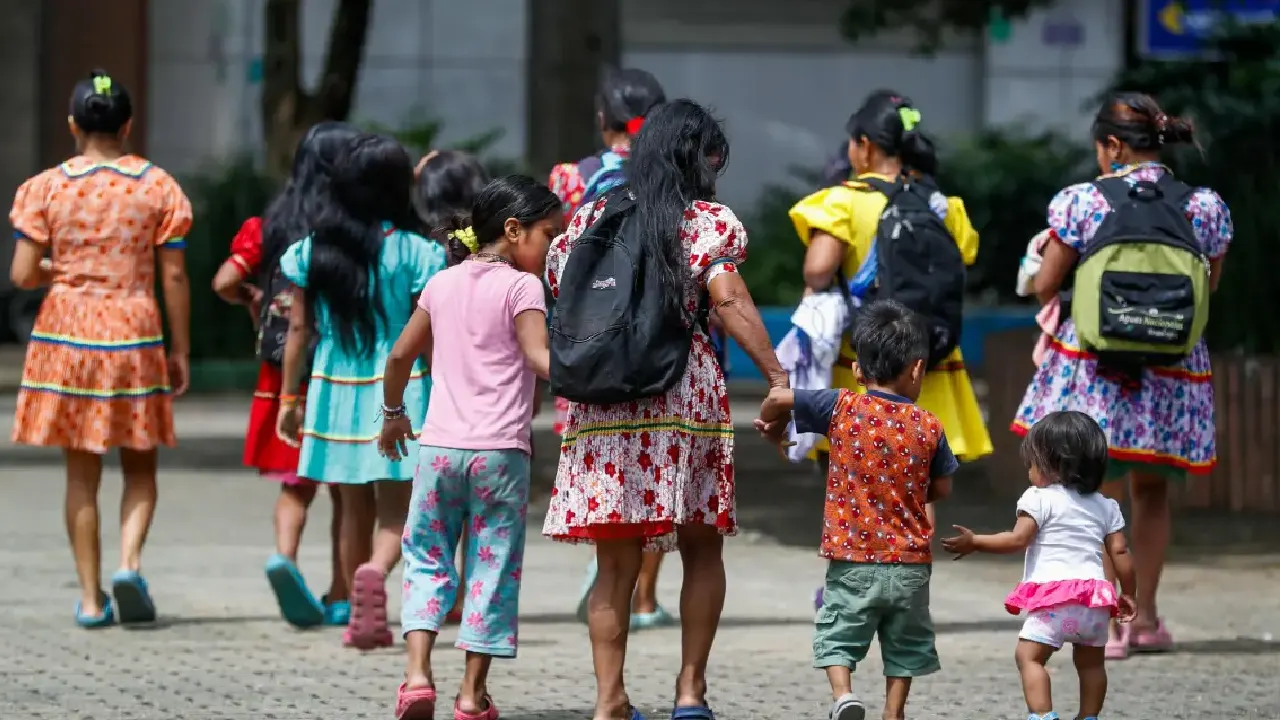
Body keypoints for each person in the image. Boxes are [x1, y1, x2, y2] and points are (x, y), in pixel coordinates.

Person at [542, 98, 787, 720]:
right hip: (682, 395)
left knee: (614, 562)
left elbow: (559, 293)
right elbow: (727, 299)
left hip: (603, 402)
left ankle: (609, 701)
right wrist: (778, 376)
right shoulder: (705, 221)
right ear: (699, 158)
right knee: (702, 548)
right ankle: (690, 693)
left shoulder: (587, 219)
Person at [1013, 92, 1232, 659]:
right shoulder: (1204, 206)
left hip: (1094, 370)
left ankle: (1107, 624)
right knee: (1152, 493)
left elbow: (1045, 285)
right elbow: (1206, 290)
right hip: (1170, 375)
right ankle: (1148, 617)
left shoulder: (1084, 202)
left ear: (1112, 146)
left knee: (1094, 490)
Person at [789, 91, 993, 610]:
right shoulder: (941, 204)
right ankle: (910, 582)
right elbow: (964, 255)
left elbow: (817, 269)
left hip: (864, 371)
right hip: (931, 369)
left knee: (851, 474)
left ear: (861, 146)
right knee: (920, 482)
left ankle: (849, 581)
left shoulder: (843, 200)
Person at [8, 70, 191, 627]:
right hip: (134, 329)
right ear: (128, 125)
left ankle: (90, 600)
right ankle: (129, 564)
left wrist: (57, 272)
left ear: (72, 126)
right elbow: (175, 277)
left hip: (67, 334)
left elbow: (20, 275)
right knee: (139, 468)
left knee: (81, 475)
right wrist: (180, 350)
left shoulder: (44, 188)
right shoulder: (158, 187)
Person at [379, 174, 561, 720]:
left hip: (438, 451)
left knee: (427, 559)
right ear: (513, 230)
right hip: (500, 454)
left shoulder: (443, 283)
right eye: (548, 235)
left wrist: (393, 416)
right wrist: (595, 379)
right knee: (492, 567)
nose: (552, 247)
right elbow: (538, 358)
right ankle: (470, 695)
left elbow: (397, 358)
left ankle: (415, 678)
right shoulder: (524, 287)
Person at [275, 133, 446, 649]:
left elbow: (298, 332)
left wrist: (288, 399)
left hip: (334, 390)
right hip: (401, 389)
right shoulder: (419, 252)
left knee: (350, 506)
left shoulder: (310, 253)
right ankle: (376, 568)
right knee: (397, 509)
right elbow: (428, 336)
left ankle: (352, 605)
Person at [756, 299, 956, 720]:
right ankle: (893, 711)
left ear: (860, 371)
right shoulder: (931, 425)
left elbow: (778, 398)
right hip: (910, 565)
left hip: (852, 558)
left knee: (837, 635)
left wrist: (773, 428)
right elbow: (942, 487)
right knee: (906, 646)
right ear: (918, 369)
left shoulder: (840, 406)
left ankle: (844, 694)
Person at [210, 123, 361, 627]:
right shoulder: (352, 229)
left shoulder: (268, 225)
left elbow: (225, 280)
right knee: (344, 486)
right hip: (342, 368)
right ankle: (342, 593)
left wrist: (252, 300)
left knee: (294, 483)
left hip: (283, 372)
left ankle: (286, 560)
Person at [546, 67, 676, 630]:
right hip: (659, 349)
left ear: (603, 121)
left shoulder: (571, 179)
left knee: (600, 462)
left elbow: (552, 252)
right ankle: (643, 597)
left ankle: (605, 569)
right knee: (659, 473)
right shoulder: (673, 175)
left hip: (588, 349)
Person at [943, 411, 1138, 720]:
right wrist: (1128, 593)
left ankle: (1043, 715)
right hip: (1095, 601)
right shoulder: (1106, 506)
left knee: (1029, 657)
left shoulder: (1038, 498)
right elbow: (1121, 552)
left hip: (1054, 600)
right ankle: (1088, 717)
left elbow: (1017, 540)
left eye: (1031, 462)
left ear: (1052, 464)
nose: (1029, 470)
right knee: (1091, 665)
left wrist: (977, 542)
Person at [409, 148, 491, 625]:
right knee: (478, 506)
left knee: (436, 506)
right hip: (485, 397)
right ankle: (467, 596)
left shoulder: (426, 255)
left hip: (431, 390)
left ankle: (431, 596)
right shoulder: (493, 256)